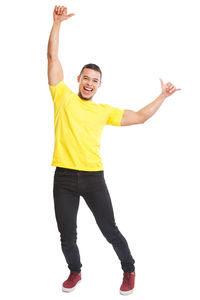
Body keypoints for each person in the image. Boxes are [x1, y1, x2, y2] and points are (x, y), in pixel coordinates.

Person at [47, 5, 181, 296]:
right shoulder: (62, 97)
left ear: (98, 86)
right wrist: (57, 24)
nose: (89, 83)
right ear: (78, 79)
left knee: (110, 230)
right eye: (86, 78)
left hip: (94, 178)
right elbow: (52, 57)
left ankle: (129, 268)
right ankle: (75, 271)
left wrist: (162, 96)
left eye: (95, 81)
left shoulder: (103, 111)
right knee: (67, 236)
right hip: (65, 178)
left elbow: (141, 117)